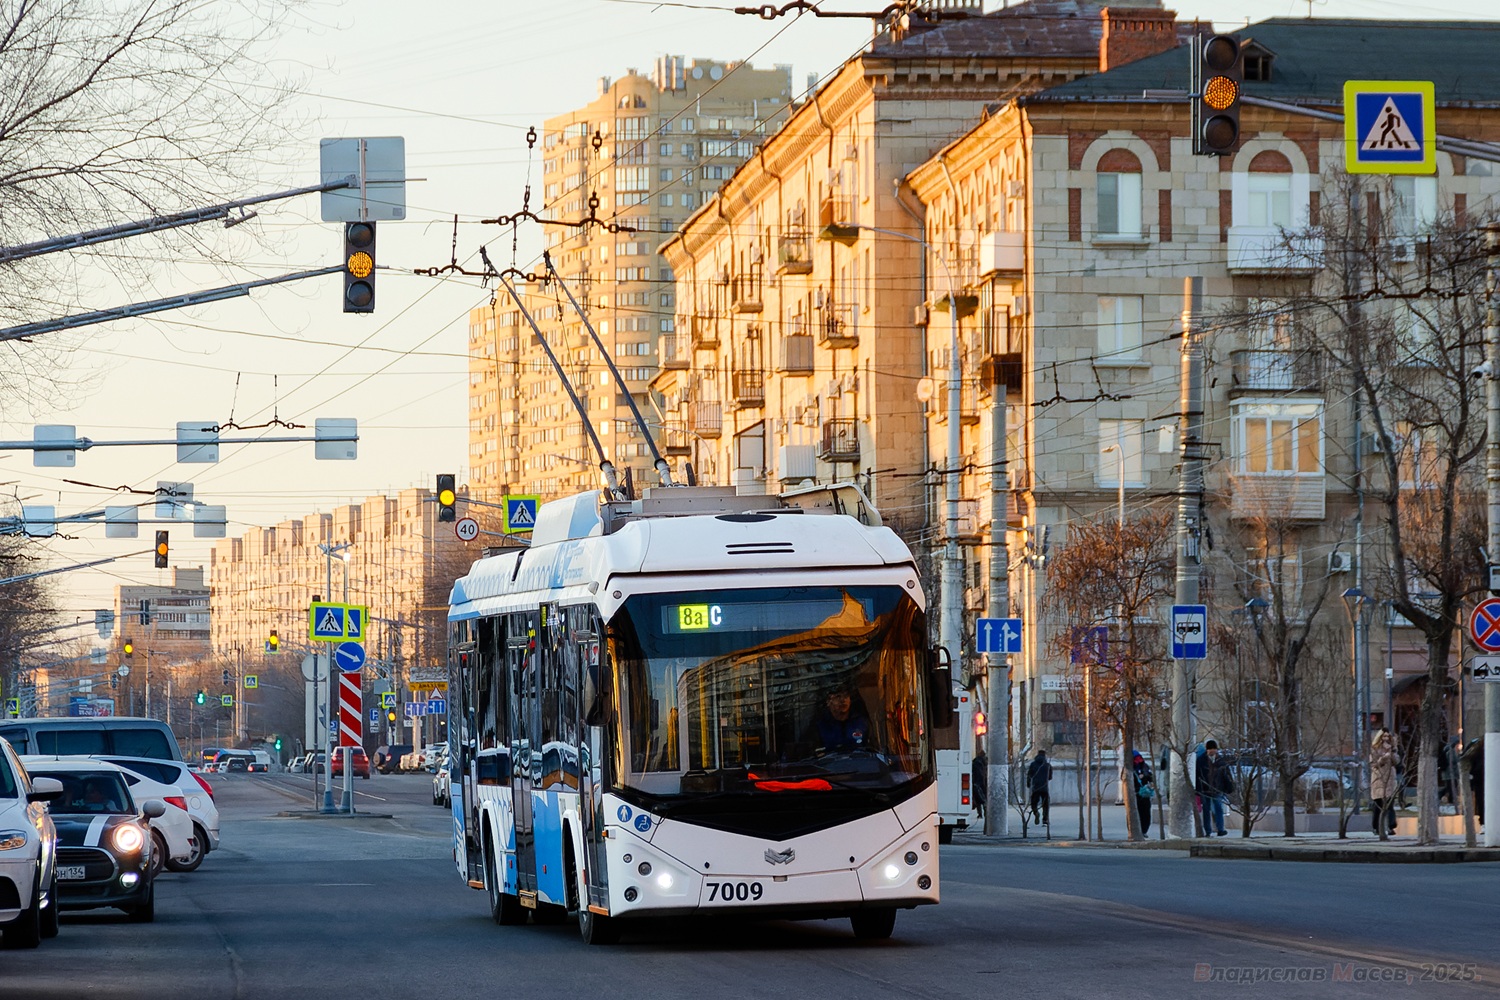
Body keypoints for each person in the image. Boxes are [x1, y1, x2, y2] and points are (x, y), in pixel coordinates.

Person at [1194, 740, 1234, 836]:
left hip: (1217, 789)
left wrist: (1229, 787)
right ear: (1207, 750)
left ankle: (1220, 829)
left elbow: (1226, 775)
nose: (1212, 751)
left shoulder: (1221, 761)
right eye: (1210, 749)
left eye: (1214, 749)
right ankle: (1208, 830)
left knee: (1218, 808)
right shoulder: (1200, 761)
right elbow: (1197, 776)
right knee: (1206, 810)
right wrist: (1198, 789)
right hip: (1205, 789)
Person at [1369, 727, 1399, 839]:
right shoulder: (1374, 749)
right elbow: (1374, 764)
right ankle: (1376, 827)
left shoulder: (1392, 748)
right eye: (1384, 736)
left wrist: (1392, 753)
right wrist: (1383, 758)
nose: (1386, 738)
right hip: (1379, 778)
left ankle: (1391, 826)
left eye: (1388, 736)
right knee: (1378, 805)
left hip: (1390, 779)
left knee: (1390, 804)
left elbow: (1397, 761)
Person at [1130, 750, 1155, 836]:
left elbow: (1150, 777)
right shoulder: (1129, 768)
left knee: (1145, 813)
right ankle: (1137, 831)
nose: (1138, 761)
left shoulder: (1144, 766)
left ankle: (1144, 830)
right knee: (1137, 813)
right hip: (1134, 794)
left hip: (1144, 794)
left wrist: (1144, 776)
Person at [1027, 750, 1052, 826]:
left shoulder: (1033, 764)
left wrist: (1028, 784)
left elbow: (1029, 775)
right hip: (1044, 787)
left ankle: (1036, 812)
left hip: (1036, 787)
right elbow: (1050, 777)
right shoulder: (1048, 765)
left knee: (1034, 802)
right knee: (1046, 804)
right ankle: (1045, 819)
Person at [971, 750, 988, 820]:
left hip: (977, 782)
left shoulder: (975, 762)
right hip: (984, 783)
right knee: (984, 799)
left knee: (978, 799)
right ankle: (985, 812)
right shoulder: (985, 762)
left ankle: (980, 813)